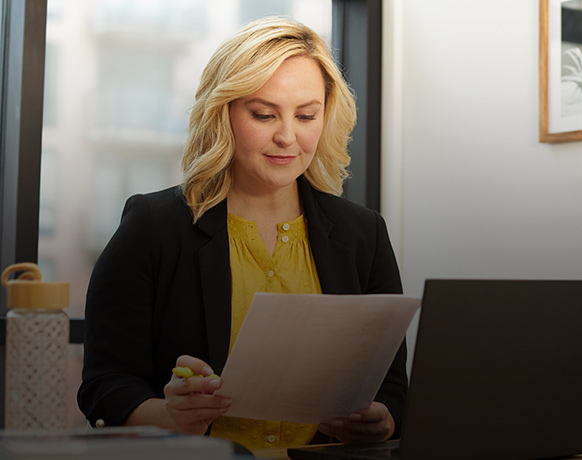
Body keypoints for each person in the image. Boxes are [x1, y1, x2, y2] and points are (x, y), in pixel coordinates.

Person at [77, 17, 407, 450]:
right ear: (223, 113)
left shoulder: (364, 234)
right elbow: (104, 384)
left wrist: (382, 420)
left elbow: (392, 388)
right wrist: (170, 415)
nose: (288, 137)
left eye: (306, 115)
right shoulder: (153, 227)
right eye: (264, 114)